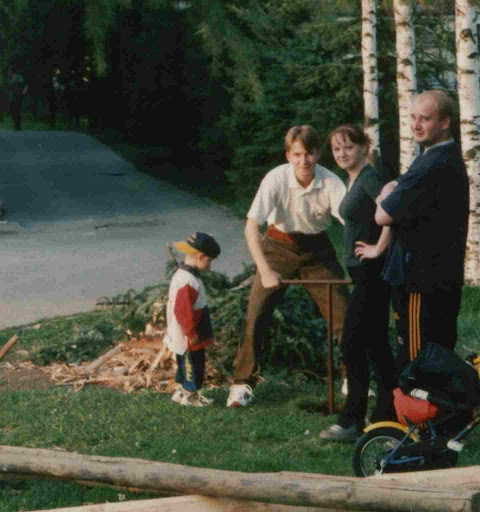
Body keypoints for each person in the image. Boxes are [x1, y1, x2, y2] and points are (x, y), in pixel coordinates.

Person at [226, 125, 349, 407]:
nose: (304, 161)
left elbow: (351, 223)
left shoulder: (331, 182)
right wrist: (265, 270)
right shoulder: (275, 179)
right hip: (277, 247)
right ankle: (242, 383)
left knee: (344, 313)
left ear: (318, 153)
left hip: (317, 251)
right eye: (297, 154)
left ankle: (352, 377)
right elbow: (251, 226)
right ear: (288, 155)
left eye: (309, 154)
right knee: (256, 312)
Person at [375, 89, 469, 372]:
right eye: (413, 117)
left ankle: (419, 404)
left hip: (421, 282)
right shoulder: (443, 157)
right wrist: (394, 188)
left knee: (418, 359)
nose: (416, 125)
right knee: (438, 354)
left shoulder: (431, 164)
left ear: (445, 122)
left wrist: (386, 192)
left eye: (425, 119)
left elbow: (383, 215)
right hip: (441, 278)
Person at [319, 125, 396, 442]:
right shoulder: (355, 179)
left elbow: (394, 212)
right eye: (336, 149)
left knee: (351, 343)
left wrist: (378, 248)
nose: (342, 154)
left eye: (348, 147)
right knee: (376, 344)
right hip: (362, 273)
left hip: (371, 273)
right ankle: (387, 415)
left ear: (364, 146)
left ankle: (352, 419)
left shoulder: (369, 178)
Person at [164, 232, 221, 407]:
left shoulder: (183, 275)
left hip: (185, 332)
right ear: (200, 256)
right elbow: (182, 310)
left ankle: (181, 391)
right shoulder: (188, 280)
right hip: (189, 334)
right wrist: (190, 332)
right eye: (209, 261)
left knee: (184, 362)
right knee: (193, 364)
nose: (210, 265)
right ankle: (191, 396)